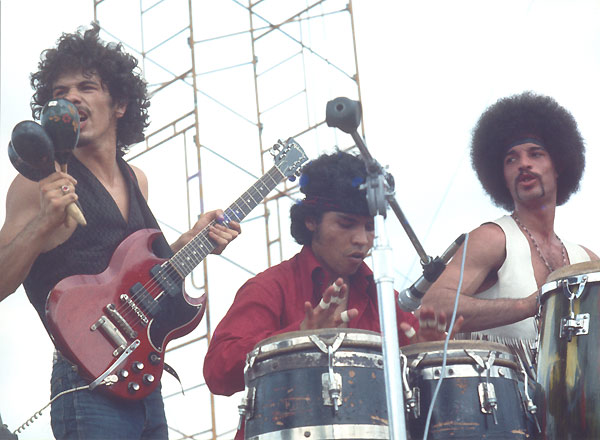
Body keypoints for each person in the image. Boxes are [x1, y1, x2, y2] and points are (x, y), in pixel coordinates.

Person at [0, 25, 240, 440]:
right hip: (85, 383)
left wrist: (192, 242)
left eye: (87, 86)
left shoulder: (138, 180)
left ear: (120, 105)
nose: (71, 97)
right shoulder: (35, 184)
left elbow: (142, 279)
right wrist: (43, 223)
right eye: (61, 90)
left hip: (143, 379)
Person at [203, 151, 460, 439]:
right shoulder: (269, 287)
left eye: (370, 227)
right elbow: (217, 373)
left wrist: (425, 357)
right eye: (346, 224)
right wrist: (297, 339)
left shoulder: (385, 300)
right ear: (311, 221)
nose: (362, 239)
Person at [422, 91, 598, 351]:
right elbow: (434, 304)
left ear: (559, 165)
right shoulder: (492, 238)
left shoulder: (586, 261)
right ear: (501, 176)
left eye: (535, 154)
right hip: (495, 390)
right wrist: (526, 306)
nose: (523, 164)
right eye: (511, 159)